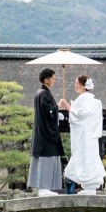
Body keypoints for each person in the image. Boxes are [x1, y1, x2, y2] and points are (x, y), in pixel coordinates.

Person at [57, 75, 106, 195]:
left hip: (85, 136)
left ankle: (90, 188)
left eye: (76, 82)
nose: (75, 85)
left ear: (83, 85)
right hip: (87, 136)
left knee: (86, 158)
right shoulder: (86, 98)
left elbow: (81, 115)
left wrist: (67, 106)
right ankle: (89, 188)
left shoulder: (85, 99)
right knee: (86, 157)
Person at [28, 68, 65, 197]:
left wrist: (56, 113)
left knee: (48, 160)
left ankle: (45, 187)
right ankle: (43, 188)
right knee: (46, 160)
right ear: (46, 80)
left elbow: (48, 112)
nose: (54, 81)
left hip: (44, 132)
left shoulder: (42, 93)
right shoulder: (43, 93)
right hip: (45, 134)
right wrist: (58, 106)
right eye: (53, 79)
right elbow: (48, 111)